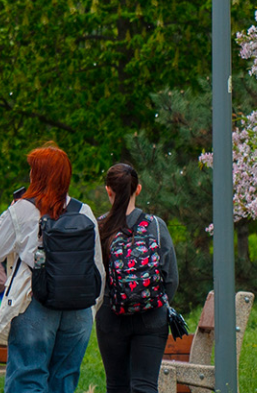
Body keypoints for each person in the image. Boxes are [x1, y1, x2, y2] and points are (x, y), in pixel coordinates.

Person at [0, 146, 105, 393]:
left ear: (38, 176)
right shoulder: (84, 211)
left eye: (32, 170)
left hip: (35, 304)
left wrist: (10, 210)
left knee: (28, 378)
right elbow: (98, 269)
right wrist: (90, 307)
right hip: (79, 309)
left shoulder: (23, 209)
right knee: (64, 381)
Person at [95, 164, 178, 393]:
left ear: (108, 190)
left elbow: (95, 277)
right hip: (151, 317)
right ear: (137, 189)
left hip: (111, 316)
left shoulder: (100, 227)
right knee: (145, 386)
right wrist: (151, 300)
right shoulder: (155, 226)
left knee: (117, 385)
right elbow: (171, 278)